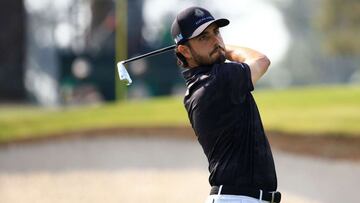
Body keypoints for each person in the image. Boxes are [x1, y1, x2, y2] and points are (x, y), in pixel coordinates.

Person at [171, 7, 281, 203]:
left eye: (216, 32)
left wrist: (214, 46)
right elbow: (261, 60)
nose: (215, 40)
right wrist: (223, 48)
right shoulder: (218, 80)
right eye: (204, 37)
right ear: (184, 50)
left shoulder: (201, 84)